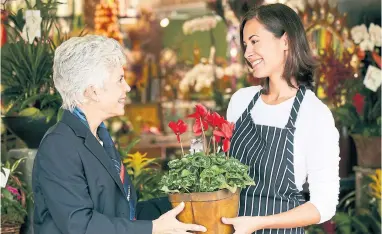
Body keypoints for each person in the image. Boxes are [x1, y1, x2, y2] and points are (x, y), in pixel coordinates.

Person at [32, 35, 207, 234]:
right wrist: (152, 228)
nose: (127, 87)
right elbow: (80, 225)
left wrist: (184, 202)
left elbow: (123, 216)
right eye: (120, 80)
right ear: (93, 92)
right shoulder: (60, 145)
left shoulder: (99, 137)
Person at [221, 3, 340, 234]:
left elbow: (323, 207)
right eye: (246, 45)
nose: (247, 53)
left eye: (255, 41)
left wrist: (258, 222)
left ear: (285, 41)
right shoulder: (241, 101)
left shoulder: (314, 114)